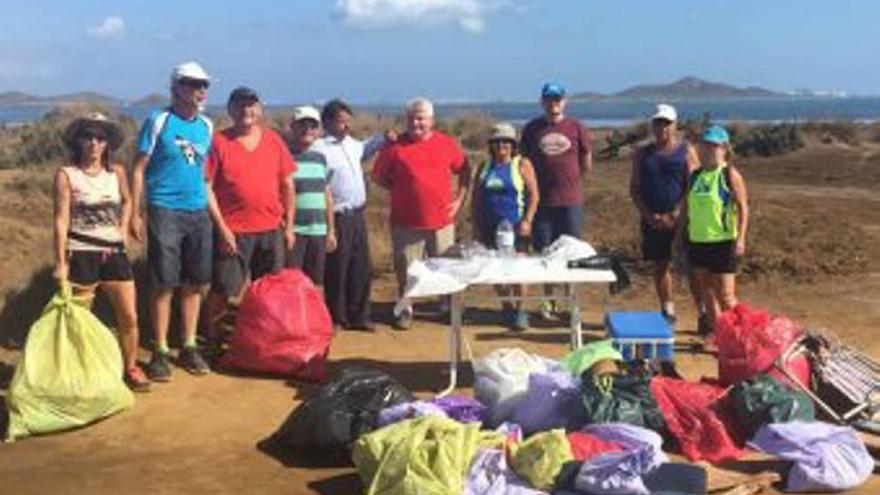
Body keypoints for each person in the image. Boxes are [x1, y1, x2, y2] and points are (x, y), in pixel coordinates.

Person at [53, 112, 151, 392]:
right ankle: (81, 373)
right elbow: (60, 219)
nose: (94, 143)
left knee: (129, 317)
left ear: (107, 143)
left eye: (101, 138)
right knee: (79, 321)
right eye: (88, 137)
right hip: (81, 252)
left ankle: (130, 368)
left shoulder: (117, 172)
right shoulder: (67, 175)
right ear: (78, 141)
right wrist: (60, 262)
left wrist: (123, 228)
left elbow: (129, 200)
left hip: (114, 254)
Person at [130, 61, 214, 380]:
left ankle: (189, 345)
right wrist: (137, 212)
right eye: (193, 84)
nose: (200, 90)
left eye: (204, 85)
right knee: (164, 282)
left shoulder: (206, 126)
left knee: (195, 282)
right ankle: (161, 349)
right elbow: (139, 168)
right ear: (176, 87)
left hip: (198, 211)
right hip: (164, 208)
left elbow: (205, 172)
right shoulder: (159, 120)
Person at [203, 87, 297, 351]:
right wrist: (222, 229)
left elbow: (287, 184)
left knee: (268, 291)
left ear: (259, 109)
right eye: (240, 105)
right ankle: (212, 338)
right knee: (224, 288)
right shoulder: (219, 142)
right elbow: (207, 186)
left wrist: (289, 227)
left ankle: (263, 337)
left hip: (271, 230)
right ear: (231, 110)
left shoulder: (273, 141)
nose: (247, 110)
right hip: (234, 231)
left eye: (251, 105)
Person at [372, 97, 470, 330]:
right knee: (406, 269)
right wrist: (402, 191)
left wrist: (459, 201)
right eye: (412, 118)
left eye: (421, 119)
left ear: (431, 121)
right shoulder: (394, 147)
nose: (416, 123)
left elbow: (465, 170)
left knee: (446, 268)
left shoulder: (446, 144)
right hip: (406, 223)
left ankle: (446, 307)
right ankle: (405, 309)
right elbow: (378, 177)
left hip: (442, 222)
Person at [520, 82, 593, 320]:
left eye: (557, 99)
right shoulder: (532, 129)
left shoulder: (576, 127)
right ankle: (548, 302)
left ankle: (571, 301)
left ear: (565, 101)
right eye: (549, 99)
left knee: (571, 254)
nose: (554, 103)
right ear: (542, 102)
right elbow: (524, 163)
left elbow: (586, 161)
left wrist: (572, 182)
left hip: (570, 202)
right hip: (542, 203)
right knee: (545, 254)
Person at [314, 99, 385, 330]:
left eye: (347, 121)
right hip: (337, 215)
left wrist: (386, 138)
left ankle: (361, 316)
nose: (345, 126)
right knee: (337, 268)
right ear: (327, 123)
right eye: (340, 121)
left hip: (358, 214)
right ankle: (337, 317)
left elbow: (368, 147)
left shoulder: (353, 145)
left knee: (361, 267)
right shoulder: (319, 148)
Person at [629, 104, 700, 325]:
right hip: (653, 220)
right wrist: (648, 215)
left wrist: (679, 212)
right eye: (658, 123)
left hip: (682, 220)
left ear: (675, 125)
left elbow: (694, 185)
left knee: (692, 268)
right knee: (661, 266)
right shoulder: (643, 154)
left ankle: (703, 312)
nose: (663, 129)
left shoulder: (686, 151)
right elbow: (635, 188)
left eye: (667, 124)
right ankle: (667, 308)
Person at [471, 122, 540, 331]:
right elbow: (475, 198)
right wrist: (475, 225)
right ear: (490, 145)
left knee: (518, 270)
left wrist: (528, 220)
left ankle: (520, 310)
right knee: (495, 269)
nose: (501, 145)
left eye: (506, 142)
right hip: (488, 226)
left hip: (516, 227)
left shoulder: (521, 164)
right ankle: (506, 306)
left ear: (513, 145)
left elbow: (534, 195)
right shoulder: (484, 167)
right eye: (497, 142)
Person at [684, 124, 749, 335]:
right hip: (698, 241)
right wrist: (679, 236)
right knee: (707, 293)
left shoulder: (729, 174)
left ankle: (744, 334)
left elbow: (743, 207)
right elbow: (687, 207)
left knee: (727, 296)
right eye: (705, 145)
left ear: (724, 148)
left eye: (714, 146)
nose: (708, 150)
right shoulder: (695, 176)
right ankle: (721, 336)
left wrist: (741, 238)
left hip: (723, 241)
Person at [287, 105, 335, 286]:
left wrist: (331, 231)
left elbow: (327, 195)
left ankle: (312, 315)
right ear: (293, 127)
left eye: (313, 126)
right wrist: (287, 228)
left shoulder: (320, 159)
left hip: (319, 231)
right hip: (295, 231)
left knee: (316, 283)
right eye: (302, 125)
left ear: (319, 130)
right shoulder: (285, 157)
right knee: (293, 282)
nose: (307, 130)